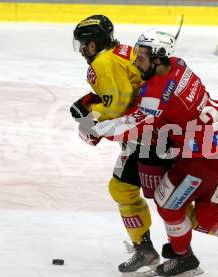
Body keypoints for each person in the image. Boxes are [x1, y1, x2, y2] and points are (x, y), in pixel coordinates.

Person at [87, 29, 218, 277]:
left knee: (166, 203)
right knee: (208, 213)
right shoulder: (179, 65)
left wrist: (95, 129)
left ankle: (184, 259)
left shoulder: (156, 92)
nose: (137, 62)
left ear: (158, 58)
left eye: (142, 57)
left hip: (202, 160)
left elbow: (134, 124)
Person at [70, 15, 167, 275]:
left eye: (83, 44)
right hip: (154, 127)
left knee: (160, 197)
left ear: (92, 45)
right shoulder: (119, 50)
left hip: (149, 133)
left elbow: (118, 105)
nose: (81, 50)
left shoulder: (102, 62)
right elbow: (124, 88)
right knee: (161, 195)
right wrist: (90, 100)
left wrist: (91, 119)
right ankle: (144, 246)